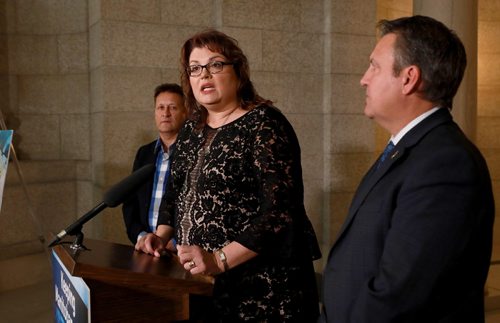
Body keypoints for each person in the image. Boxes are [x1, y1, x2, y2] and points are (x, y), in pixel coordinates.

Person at [135, 29, 322, 322]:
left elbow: (278, 212)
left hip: (262, 287)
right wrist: (160, 237)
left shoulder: (265, 124)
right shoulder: (191, 128)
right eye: (195, 68)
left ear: (238, 71)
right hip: (202, 284)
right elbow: (176, 193)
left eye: (216, 64)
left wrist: (219, 260)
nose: (204, 75)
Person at [320, 15, 495, 323]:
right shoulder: (407, 150)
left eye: (374, 66)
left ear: (409, 77)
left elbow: (400, 294)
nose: (364, 78)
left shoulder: (445, 164)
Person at [122, 83, 187, 245]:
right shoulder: (144, 153)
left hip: (180, 251)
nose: (165, 113)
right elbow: (130, 203)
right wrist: (141, 237)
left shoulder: (192, 153)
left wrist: (173, 243)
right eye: (160, 107)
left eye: (173, 108)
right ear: (155, 113)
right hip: (145, 246)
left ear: (185, 113)